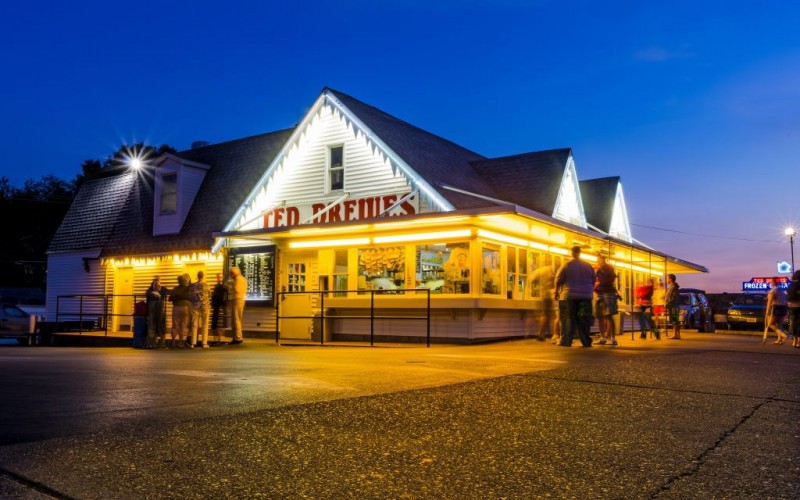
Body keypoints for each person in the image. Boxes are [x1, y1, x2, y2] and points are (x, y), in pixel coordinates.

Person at [554, 246, 596, 347]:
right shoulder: (588, 265)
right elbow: (593, 279)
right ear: (580, 253)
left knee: (567, 319)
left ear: (572, 253)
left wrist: (556, 291)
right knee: (584, 319)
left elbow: (558, 279)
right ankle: (586, 341)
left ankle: (566, 341)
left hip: (569, 296)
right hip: (586, 296)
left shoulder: (566, 264)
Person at [594, 254, 618, 346]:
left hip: (607, 293)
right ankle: (603, 337)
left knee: (608, 315)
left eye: (599, 259)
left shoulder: (608, 268)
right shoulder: (598, 269)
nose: (597, 261)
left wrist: (599, 284)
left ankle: (613, 338)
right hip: (600, 293)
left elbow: (610, 279)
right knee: (600, 315)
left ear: (603, 259)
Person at [530, 255, 555, 342]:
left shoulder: (540, 270)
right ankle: (554, 335)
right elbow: (553, 282)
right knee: (552, 316)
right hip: (550, 294)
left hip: (544, 294)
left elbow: (532, 280)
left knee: (544, 315)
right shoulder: (551, 270)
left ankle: (541, 335)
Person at [169, 273, 193, 348]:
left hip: (176, 307)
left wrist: (176, 298)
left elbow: (170, 298)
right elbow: (192, 297)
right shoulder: (189, 289)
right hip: (186, 307)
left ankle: (173, 342)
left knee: (175, 324)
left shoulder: (175, 289)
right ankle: (181, 343)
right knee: (183, 325)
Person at [189, 270, 210, 348]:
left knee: (194, 324)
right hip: (205, 306)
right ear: (203, 276)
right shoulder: (206, 285)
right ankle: (204, 343)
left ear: (197, 276)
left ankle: (193, 343)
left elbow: (190, 296)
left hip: (195, 306)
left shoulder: (193, 286)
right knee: (205, 324)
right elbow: (209, 294)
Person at [764, 278, 789, 345]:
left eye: (771, 282)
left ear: (773, 282)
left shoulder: (773, 291)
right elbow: (786, 301)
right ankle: (779, 340)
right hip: (783, 308)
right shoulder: (782, 291)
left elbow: (769, 301)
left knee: (771, 324)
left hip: (775, 308)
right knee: (779, 325)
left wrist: (767, 311)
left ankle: (783, 335)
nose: (770, 283)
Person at [145, 276, 168, 348]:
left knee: (160, 326)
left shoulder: (160, 291)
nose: (158, 286)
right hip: (154, 312)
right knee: (153, 326)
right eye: (156, 285)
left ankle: (160, 342)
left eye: (159, 285)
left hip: (159, 312)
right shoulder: (150, 293)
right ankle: (152, 342)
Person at [228, 266, 247, 345]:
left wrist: (230, 287)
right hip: (241, 299)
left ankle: (237, 337)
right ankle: (237, 337)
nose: (231, 275)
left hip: (237, 300)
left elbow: (237, 289)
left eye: (231, 273)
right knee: (237, 319)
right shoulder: (243, 279)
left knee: (236, 320)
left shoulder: (238, 279)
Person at [210, 273, 228, 344]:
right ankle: (217, 340)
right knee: (217, 324)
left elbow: (223, 297)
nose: (219, 278)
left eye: (220, 277)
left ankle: (219, 339)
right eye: (218, 277)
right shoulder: (218, 286)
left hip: (220, 307)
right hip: (217, 307)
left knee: (219, 324)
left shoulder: (223, 287)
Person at [664, 274, 681, 340]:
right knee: (675, 320)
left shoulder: (673, 287)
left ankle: (675, 335)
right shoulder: (673, 287)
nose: (666, 280)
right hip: (674, 305)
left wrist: (667, 303)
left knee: (674, 320)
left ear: (670, 279)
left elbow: (672, 297)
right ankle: (678, 335)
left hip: (673, 306)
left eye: (667, 278)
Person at [787, 270, 800, 349]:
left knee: (793, 322)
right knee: (799, 323)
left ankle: (794, 341)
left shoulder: (790, 284)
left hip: (791, 305)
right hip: (799, 305)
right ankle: (799, 342)